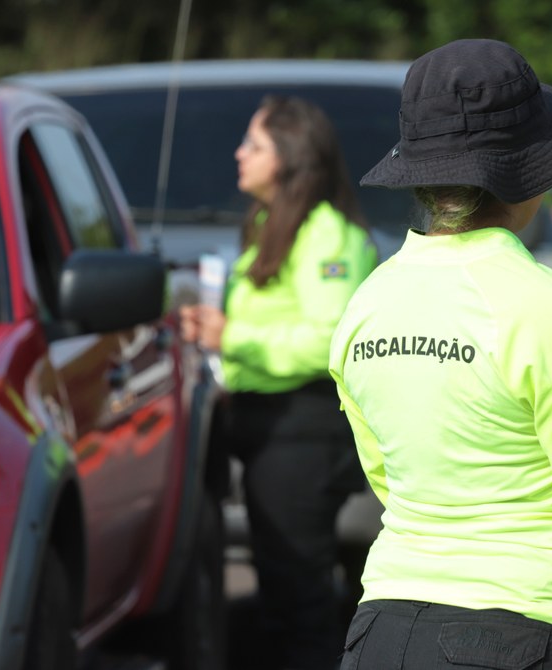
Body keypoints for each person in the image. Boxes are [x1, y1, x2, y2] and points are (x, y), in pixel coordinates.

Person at [328, 39, 552, 669]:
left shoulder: (365, 307)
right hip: (535, 632)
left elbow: (390, 478)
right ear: (532, 175)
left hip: (381, 632)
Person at [179, 95, 378, 670]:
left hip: (303, 425)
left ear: (289, 157)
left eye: (255, 145)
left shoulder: (326, 237)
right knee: (279, 589)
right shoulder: (268, 222)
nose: (239, 154)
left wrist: (232, 335)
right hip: (260, 422)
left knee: (301, 597)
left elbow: (329, 340)